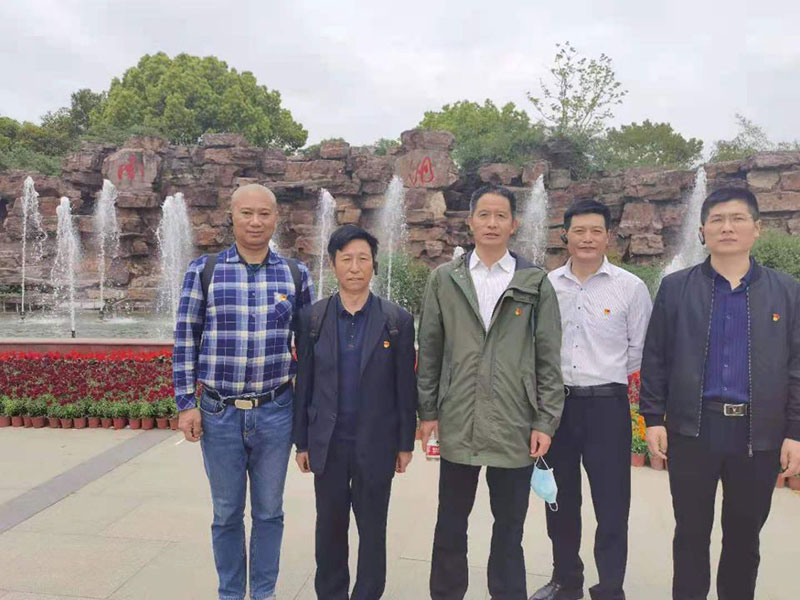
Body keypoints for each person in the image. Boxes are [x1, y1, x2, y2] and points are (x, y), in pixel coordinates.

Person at [640, 187, 800, 600]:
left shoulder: (787, 291)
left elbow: (797, 367)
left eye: (738, 218)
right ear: (702, 231)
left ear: (756, 228)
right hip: (694, 429)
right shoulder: (676, 288)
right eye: (717, 220)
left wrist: (795, 431)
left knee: (745, 537)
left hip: (757, 434)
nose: (727, 227)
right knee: (690, 534)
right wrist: (653, 418)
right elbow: (656, 356)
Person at [417, 185, 565, 600]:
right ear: (470, 222)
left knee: (509, 527)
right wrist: (428, 412)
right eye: (484, 215)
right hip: (458, 417)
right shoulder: (445, 279)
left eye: (501, 216)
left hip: (513, 421)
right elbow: (430, 349)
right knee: (451, 522)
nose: (492, 223)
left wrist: (545, 420)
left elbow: (548, 357)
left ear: (514, 224)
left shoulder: (534, 282)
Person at [173, 183, 314, 600]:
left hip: (275, 411)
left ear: (276, 218)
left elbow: (309, 348)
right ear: (231, 217)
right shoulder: (205, 270)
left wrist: (307, 412)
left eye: (264, 214)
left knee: (269, 512)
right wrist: (186, 403)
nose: (255, 222)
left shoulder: (295, 274)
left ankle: (264, 593)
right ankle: (231, 593)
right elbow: (185, 337)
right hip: (219, 412)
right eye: (246, 213)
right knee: (226, 513)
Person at [531, 199, 652, 600]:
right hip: (557, 407)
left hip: (607, 407)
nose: (587, 238)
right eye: (579, 231)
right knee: (559, 500)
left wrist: (603, 375)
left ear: (608, 236)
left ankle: (610, 587)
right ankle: (566, 580)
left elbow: (639, 350)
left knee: (612, 504)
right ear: (564, 235)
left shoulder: (630, 288)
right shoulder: (546, 286)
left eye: (596, 231)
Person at [293, 224, 417, 599]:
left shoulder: (396, 320)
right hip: (329, 443)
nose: (355, 267)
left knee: (373, 528)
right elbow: (304, 383)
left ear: (374, 265)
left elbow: (405, 387)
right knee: (329, 527)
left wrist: (404, 444)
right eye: (346, 259)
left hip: (376, 443)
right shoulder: (313, 319)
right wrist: (302, 442)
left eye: (363, 259)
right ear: (333, 264)